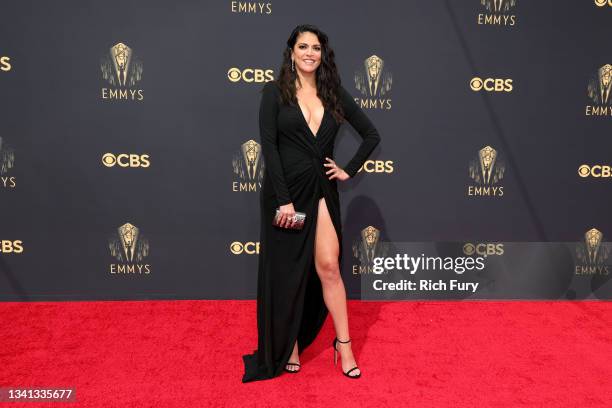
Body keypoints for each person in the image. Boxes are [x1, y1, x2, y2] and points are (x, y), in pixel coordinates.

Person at [241, 24, 381, 382]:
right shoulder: (274, 93)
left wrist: (348, 169)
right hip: (284, 193)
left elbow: (371, 134)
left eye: (315, 47)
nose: (309, 52)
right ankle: (287, 345)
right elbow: (268, 147)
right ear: (291, 52)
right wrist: (284, 201)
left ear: (323, 55)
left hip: (321, 190)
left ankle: (344, 344)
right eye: (303, 46)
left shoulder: (334, 94)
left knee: (328, 266)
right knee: (288, 272)